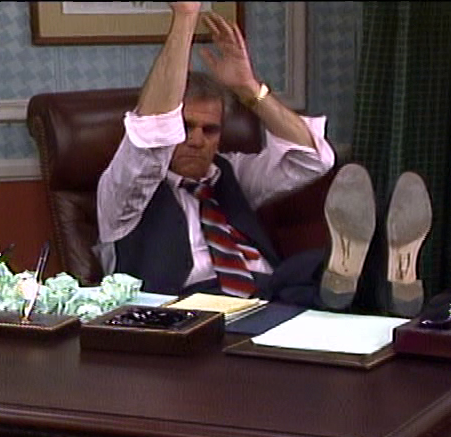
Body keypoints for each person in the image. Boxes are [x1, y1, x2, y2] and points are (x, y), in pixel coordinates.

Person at [95, 2, 376, 310]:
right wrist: (185, 18)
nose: (197, 140)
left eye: (210, 130)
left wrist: (248, 89)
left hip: (267, 294)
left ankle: (378, 282)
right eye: (184, 127)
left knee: (317, 268)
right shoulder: (125, 193)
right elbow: (152, 130)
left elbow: (313, 159)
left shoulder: (231, 173)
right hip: (186, 307)